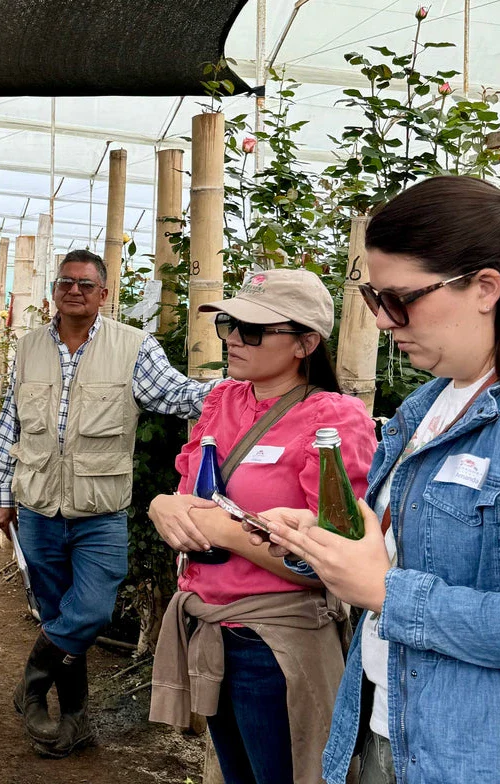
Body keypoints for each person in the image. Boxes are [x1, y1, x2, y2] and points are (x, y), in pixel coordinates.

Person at [261, 176, 500, 784]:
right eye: (374, 299)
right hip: (385, 720)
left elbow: (391, 584)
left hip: (474, 756)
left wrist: (389, 593)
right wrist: (324, 537)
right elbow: (396, 552)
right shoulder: (426, 405)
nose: (383, 322)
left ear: (486, 287)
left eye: (400, 300)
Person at [148, 268, 376, 784]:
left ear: (306, 343)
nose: (232, 338)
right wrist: (162, 504)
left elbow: (335, 562)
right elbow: (188, 494)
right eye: (229, 323)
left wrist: (224, 531)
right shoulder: (223, 400)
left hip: (272, 646)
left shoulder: (335, 419)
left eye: (253, 329)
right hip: (210, 628)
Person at [0, 249, 216, 758]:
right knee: (58, 617)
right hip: (39, 509)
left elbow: (178, 396)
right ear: (54, 291)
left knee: (89, 611)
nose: (75, 291)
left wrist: (248, 387)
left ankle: (30, 684)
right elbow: (10, 425)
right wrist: (1, 497)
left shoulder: (133, 347)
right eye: (66, 282)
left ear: (103, 295)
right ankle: (73, 723)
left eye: (86, 285)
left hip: (101, 511)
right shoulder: (27, 348)